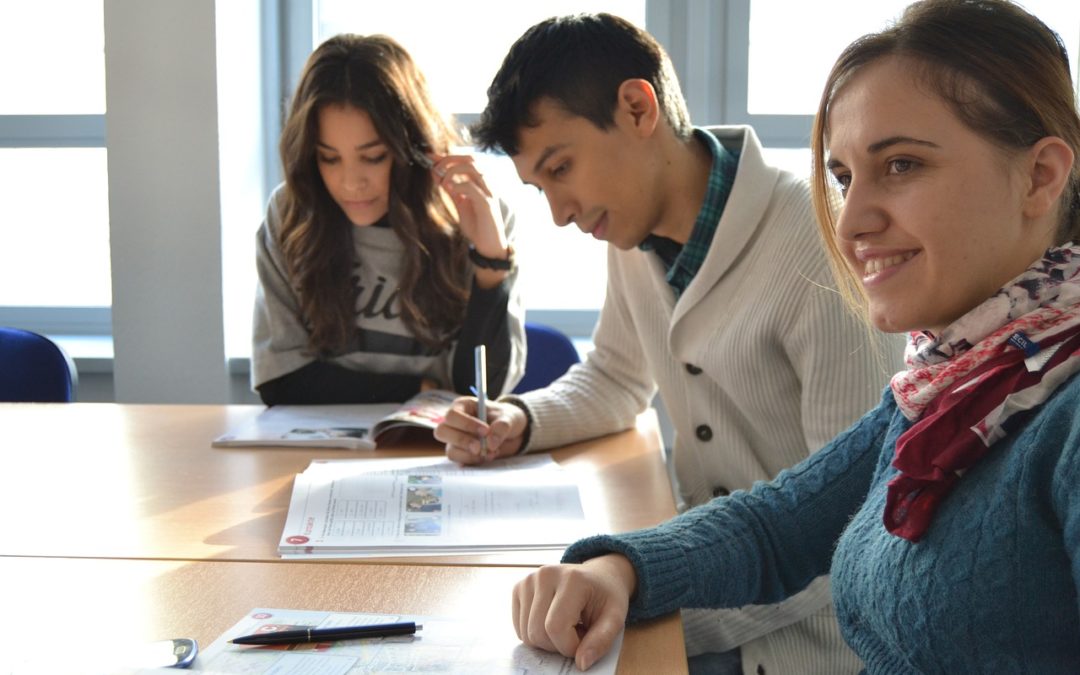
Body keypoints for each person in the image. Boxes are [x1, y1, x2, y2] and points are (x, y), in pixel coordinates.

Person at [508, 0, 1080, 672]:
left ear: (1041, 176)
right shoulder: (952, 380)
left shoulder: (1058, 418)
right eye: (843, 177)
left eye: (901, 165)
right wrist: (619, 569)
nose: (850, 222)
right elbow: (778, 524)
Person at [434, 13, 901, 675]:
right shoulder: (632, 233)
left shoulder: (815, 245)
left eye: (561, 168)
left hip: (799, 641)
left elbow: (848, 526)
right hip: (696, 577)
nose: (560, 213)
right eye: (541, 189)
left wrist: (657, 602)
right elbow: (617, 377)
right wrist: (523, 419)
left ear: (636, 106)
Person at [252, 34, 526, 405]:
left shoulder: (473, 216)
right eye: (329, 158)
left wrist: (491, 263)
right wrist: (419, 390)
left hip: (438, 452)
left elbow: (480, 392)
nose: (351, 183)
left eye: (374, 157)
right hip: (318, 452)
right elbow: (281, 381)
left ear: (411, 149)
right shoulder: (291, 214)